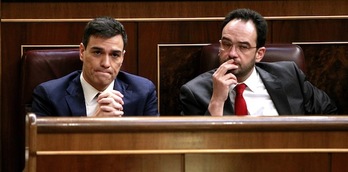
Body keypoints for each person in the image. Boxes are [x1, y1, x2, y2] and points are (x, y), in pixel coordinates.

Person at [180, 8, 337, 116]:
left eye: (243, 47)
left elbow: (330, 113)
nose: (232, 53)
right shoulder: (194, 92)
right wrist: (216, 102)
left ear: (259, 54)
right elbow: (196, 150)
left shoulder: (289, 76)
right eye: (227, 44)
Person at [32, 16, 159, 117]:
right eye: (97, 52)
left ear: (122, 58)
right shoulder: (49, 96)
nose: (106, 63)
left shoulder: (143, 92)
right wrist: (94, 123)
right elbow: (45, 148)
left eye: (115, 55)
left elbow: (153, 146)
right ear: (82, 52)